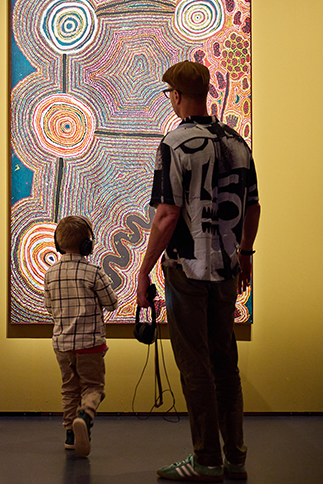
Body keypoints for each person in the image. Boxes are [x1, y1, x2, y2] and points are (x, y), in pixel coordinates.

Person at [137, 61, 261, 482]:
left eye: (169, 92)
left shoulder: (174, 144)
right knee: (226, 362)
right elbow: (254, 205)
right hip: (227, 271)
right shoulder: (237, 143)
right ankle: (236, 456)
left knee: (195, 366)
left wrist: (143, 271)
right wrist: (245, 254)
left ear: (176, 95)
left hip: (187, 272)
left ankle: (206, 459)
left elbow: (168, 215)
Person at [44, 215, 117, 456]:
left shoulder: (50, 273)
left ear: (58, 243)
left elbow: (49, 307)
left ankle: (69, 436)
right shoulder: (93, 271)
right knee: (93, 387)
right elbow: (111, 303)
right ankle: (85, 416)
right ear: (88, 245)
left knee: (69, 389)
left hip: (62, 345)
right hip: (90, 344)